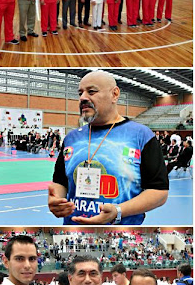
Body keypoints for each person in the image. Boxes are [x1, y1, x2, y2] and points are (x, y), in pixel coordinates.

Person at [48, 71, 169, 225]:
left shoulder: (141, 135)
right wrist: (57, 200)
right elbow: (60, 182)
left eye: (91, 91)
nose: (83, 98)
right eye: (80, 93)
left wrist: (118, 211)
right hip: (73, 228)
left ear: (114, 94)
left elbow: (159, 192)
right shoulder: (71, 138)